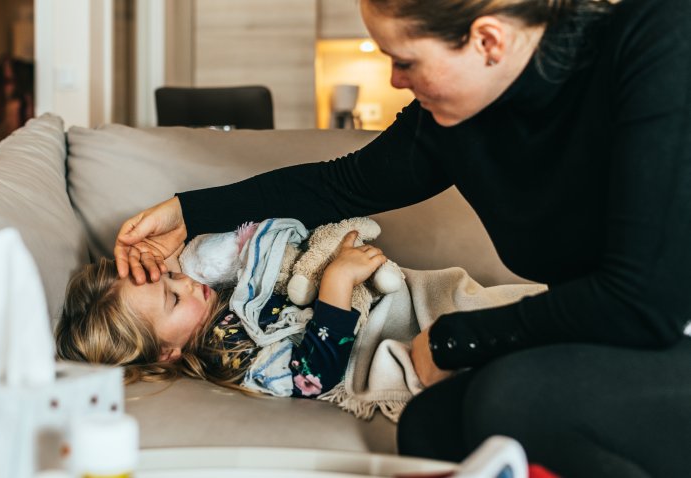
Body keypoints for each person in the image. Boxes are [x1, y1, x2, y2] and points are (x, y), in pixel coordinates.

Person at [112, 0, 691, 475]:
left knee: (512, 399)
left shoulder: (657, 40)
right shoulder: (456, 118)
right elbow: (338, 186)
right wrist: (187, 213)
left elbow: (642, 301)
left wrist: (453, 339)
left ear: (488, 41)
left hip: (659, 321)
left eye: (404, 60)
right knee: (429, 427)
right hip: (624, 338)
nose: (394, 79)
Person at [56, 231, 388, 398]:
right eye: (173, 300)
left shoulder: (218, 298)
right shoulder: (222, 349)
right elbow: (312, 378)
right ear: (165, 352)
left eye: (172, 277)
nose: (186, 283)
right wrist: (338, 280)